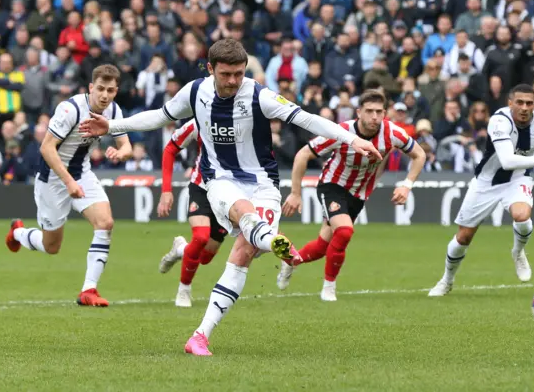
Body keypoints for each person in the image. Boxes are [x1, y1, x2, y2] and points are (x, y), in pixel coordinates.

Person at [78, 39, 381, 356]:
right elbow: (159, 116)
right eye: (227, 74)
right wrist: (112, 126)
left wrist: (351, 139)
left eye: (239, 73)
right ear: (211, 69)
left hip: (263, 183)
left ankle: (200, 335)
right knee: (243, 213)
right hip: (220, 179)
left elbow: (305, 118)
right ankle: (273, 241)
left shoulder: (259, 95)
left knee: (242, 255)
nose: (234, 81)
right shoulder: (196, 92)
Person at [278, 89, 427, 301]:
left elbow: (419, 155)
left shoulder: (392, 133)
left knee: (322, 246)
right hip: (332, 185)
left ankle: (290, 261)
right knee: (345, 231)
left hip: (358, 194)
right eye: (369, 111)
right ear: (359, 112)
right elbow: (303, 155)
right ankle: (329, 287)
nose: (374, 117)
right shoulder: (342, 131)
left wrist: (407, 185)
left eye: (378, 112)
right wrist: (295, 193)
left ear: (385, 113)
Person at [427, 84, 534, 297]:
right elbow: (506, 161)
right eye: (520, 102)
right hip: (486, 182)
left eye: (529, 103)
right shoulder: (499, 121)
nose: (524, 107)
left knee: (522, 216)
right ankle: (446, 281)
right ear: (510, 103)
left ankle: (517, 251)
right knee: (463, 237)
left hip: (518, 178)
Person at [5, 64, 132, 307]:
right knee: (51, 246)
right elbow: (46, 148)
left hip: (81, 173)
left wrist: (121, 153)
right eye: (102, 89)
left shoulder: (114, 110)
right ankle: (18, 232)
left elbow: (126, 146)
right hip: (53, 179)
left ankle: (89, 290)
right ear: (91, 87)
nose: (106, 96)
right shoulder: (70, 109)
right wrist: (68, 182)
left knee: (105, 223)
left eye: (112, 91)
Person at [156, 119, 228, 308]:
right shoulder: (200, 120)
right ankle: (184, 289)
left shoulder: (245, 120)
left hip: (230, 193)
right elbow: (171, 148)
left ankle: (180, 249)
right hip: (201, 187)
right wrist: (166, 190)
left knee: (205, 257)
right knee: (201, 237)